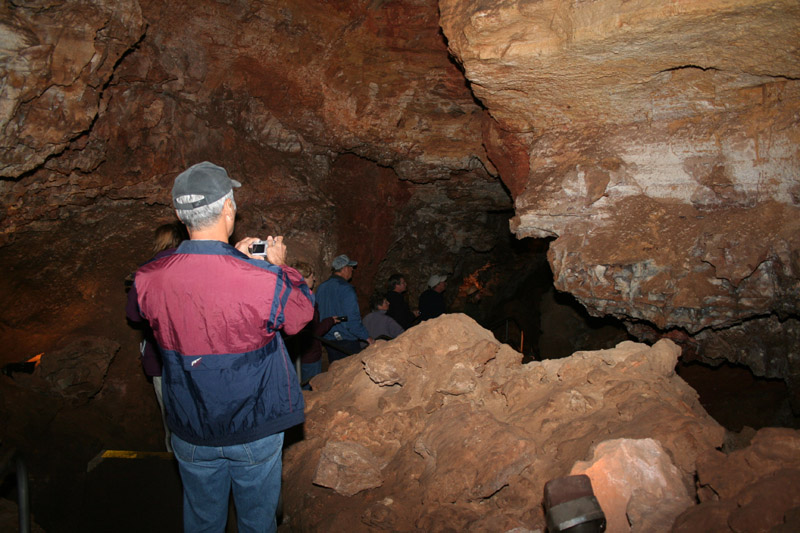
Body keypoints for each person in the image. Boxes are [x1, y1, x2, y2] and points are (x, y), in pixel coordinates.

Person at [127, 161, 313, 533]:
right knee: (257, 523)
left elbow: (151, 307)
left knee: (202, 522)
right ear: (229, 207)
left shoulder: (148, 278)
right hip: (255, 426)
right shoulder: (264, 279)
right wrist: (279, 266)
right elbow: (300, 315)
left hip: (191, 427)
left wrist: (232, 258)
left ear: (180, 215)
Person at [125, 221, 186, 452]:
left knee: (169, 410)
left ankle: (173, 453)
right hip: (194, 354)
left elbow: (133, 314)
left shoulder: (146, 272)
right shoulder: (193, 266)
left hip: (159, 353)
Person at [285, 261, 340, 389]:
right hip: (309, 353)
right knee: (311, 386)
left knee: (294, 385)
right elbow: (313, 331)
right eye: (311, 276)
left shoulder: (288, 295)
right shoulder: (305, 299)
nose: (314, 279)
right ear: (302, 279)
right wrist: (330, 321)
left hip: (292, 352)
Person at [316, 254, 373, 363]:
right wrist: (367, 337)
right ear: (344, 268)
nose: (352, 269)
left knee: (336, 371)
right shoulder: (346, 289)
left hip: (328, 341)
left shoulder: (321, 288)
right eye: (350, 267)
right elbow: (352, 319)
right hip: (346, 341)